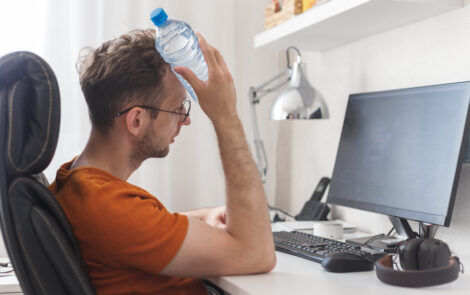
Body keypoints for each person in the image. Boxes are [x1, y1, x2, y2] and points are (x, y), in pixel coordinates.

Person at [49, 28, 276, 295]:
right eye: (178, 107)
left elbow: (138, 227)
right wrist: (225, 116)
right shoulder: (108, 208)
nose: (186, 119)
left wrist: (205, 217)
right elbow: (257, 254)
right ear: (136, 120)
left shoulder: (77, 183)